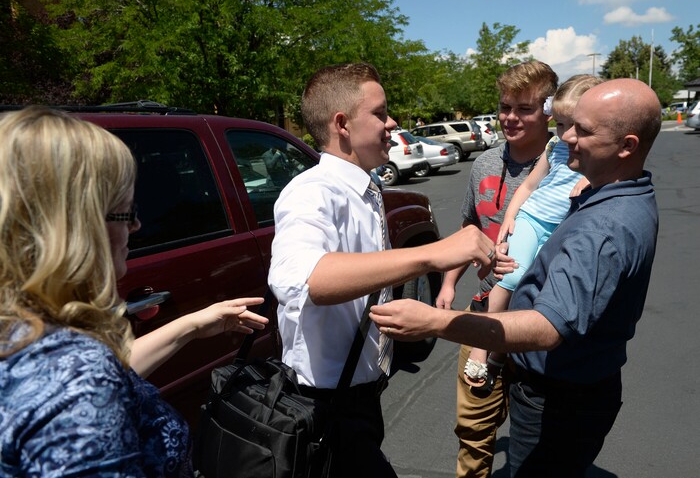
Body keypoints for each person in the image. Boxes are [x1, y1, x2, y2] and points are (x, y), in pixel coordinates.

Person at [370, 77, 661, 477]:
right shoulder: (615, 193)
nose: (570, 137)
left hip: (558, 394)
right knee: (475, 432)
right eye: (568, 125)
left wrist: (435, 322)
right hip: (567, 379)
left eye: (584, 130)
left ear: (627, 146)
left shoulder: (602, 227)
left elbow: (546, 328)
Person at [0, 106, 269, 477]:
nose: (138, 225)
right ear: (77, 225)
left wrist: (189, 325)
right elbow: (81, 380)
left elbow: (92, 371)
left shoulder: (18, 330)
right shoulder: (81, 382)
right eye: (125, 212)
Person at [268, 62, 495, 478]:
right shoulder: (312, 192)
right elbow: (305, 280)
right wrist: (431, 254)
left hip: (362, 393)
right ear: (342, 124)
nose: (392, 123)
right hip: (325, 404)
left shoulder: (365, 186)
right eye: (380, 112)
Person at [434, 60, 558, 478]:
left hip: (539, 325)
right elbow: (468, 226)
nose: (510, 117)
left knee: (536, 439)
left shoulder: (566, 166)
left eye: (523, 108)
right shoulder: (485, 163)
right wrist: (449, 283)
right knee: (473, 427)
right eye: (505, 107)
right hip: (483, 312)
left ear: (548, 109)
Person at [464, 75, 601, 391]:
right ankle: (482, 346)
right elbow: (529, 185)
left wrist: (592, 181)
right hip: (533, 218)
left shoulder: (594, 152)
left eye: (575, 125)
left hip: (560, 228)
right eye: (561, 124)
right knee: (511, 276)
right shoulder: (555, 146)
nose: (565, 133)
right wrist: (511, 217)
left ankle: (500, 353)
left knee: (535, 289)